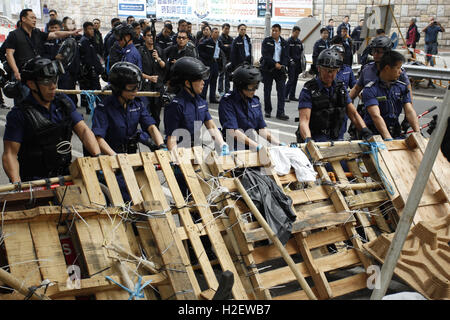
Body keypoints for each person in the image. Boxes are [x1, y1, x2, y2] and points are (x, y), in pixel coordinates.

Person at [2, 56, 100, 183]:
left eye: (55, 80)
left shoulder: (64, 103)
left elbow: (84, 131)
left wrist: (98, 157)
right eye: (46, 82)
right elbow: (10, 154)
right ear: (31, 84)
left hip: (66, 177)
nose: (53, 86)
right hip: (34, 183)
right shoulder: (18, 115)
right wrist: (18, 185)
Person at [297, 49, 372, 143]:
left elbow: (353, 114)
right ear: (319, 68)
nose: (330, 74)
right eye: (327, 70)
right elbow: (304, 121)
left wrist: (365, 131)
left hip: (337, 140)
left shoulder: (340, 88)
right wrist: (308, 141)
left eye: (333, 71)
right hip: (315, 139)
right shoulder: (309, 89)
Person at [92, 61, 165, 156]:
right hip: (109, 156)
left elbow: (151, 127)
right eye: (131, 87)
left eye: (137, 87)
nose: (135, 91)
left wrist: (161, 145)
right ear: (118, 88)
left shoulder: (137, 104)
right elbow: (98, 138)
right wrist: (116, 157)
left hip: (130, 155)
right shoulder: (104, 108)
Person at [164, 56, 229, 154]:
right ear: (187, 83)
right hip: (180, 153)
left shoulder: (201, 102)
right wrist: (177, 159)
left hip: (196, 151)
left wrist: (222, 144)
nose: (203, 83)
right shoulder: (176, 106)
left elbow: (211, 126)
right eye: (199, 80)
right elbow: (171, 139)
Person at [219, 63, 284, 151]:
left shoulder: (255, 101)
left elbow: (261, 129)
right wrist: (256, 146)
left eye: (256, 86)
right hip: (233, 147)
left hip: (251, 146)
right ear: (241, 86)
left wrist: (278, 143)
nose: (254, 90)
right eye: (251, 87)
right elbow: (233, 131)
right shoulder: (228, 102)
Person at [5, 9, 81, 83]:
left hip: (37, 73)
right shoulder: (14, 34)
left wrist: (71, 32)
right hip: (22, 74)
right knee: (25, 94)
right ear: (23, 19)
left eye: (35, 18)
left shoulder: (37, 33)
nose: (34, 20)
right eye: (32, 18)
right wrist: (16, 71)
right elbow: (9, 54)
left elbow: (55, 34)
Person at [362, 51, 419, 140]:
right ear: (387, 68)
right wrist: (388, 138)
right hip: (376, 135)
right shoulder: (370, 89)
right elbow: (376, 116)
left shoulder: (402, 87)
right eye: (398, 68)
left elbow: (409, 111)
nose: (400, 72)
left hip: (395, 133)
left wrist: (418, 133)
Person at [350, 36, 411, 101]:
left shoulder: (397, 71)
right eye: (374, 51)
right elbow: (356, 89)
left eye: (379, 52)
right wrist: (346, 103)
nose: (375, 54)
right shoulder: (366, 70)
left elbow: (408, 95)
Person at [260, 24, 289, 120]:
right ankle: (268, 110)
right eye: (273, 30)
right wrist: (274, 64)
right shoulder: (266, 41)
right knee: (267, 90)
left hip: (280, 70)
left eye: (276, 31)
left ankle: (280, 112)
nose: (274, 32)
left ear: (280, 32)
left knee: (281, 91)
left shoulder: (284, 43)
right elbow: (265, 55)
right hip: (268, 69)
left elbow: (286, 56)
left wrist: (283, 65)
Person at [139, 26, 166, 128]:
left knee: (156, 113)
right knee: (145, 112)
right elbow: (138, 71)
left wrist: (158, 59)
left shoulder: (159, 50)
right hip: (145, 87)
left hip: (158, 87)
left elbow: (164, 66)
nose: (151, 38)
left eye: (153, 35)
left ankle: (156, 132)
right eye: (149, 35)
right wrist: (149, 78)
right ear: (144, 37)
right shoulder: (140, 51)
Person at [79, 21, 104, 114]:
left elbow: (95, 56)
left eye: (92, 29)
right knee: (93, 91)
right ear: (85, 30)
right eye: (90, 29)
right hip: (89, 72)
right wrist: (93, 69)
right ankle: (91, 108)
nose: (92, 31)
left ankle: (95, 108)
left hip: (93, 71)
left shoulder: (90, 40)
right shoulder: (84, 41)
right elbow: (88, 59)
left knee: (95, 91)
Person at [197, 25, 220, 103]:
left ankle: (212, 98)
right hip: (208, 63)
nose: (217, 34)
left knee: (214, 81)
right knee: (206, 81)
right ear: (211, 33)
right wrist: (206, 58)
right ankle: (202, 97)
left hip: (215, 63)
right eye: (215, 32)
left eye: (218, 32)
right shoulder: (207, 41)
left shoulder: (219, 42)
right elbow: (199, 49)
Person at [423, 17, 445, 87]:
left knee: (432, 61)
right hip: (427, 44)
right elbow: (423, 30)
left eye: (433, 20)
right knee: (426, 60)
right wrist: (429, 25)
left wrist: (440, 25)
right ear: (429, 21)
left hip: (433, 44)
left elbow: (443, 30)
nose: (432, 21)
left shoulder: (436, 27)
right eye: (431, 20)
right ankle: (429, 80)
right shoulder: (427, 27)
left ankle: (430, 80)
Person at [285, 26, 304, 102]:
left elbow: (301, 52)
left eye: (298, 33)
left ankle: (292, 95)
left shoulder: (299, 42)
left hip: (298, 64)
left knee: (295, 80)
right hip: (291, 64)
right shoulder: (288, 41)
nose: (297, 34)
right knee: (291, 80)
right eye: (296, 32)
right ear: (293, 32)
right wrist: (290, 60)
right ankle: (284, 95)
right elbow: (286, 53)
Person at [218, 23, 233, 95]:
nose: (227, 30)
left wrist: (228, 46)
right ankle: (220, 90)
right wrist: (227, 46)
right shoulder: (220, 38)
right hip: (222, 58)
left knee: (228, 75)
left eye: (228, 29)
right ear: (222, 29)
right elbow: (222, 47)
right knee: (221, 74)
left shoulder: (230, 38)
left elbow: (232, 47)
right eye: (225, 29)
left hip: (229, 58)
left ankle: (227, 89)